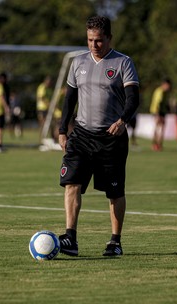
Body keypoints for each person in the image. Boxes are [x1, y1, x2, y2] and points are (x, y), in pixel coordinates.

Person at [57, 15, 140, 257]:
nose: (94, 45)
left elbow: (133, 98)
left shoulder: (123, 62)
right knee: (71, 183)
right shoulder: (78, 62)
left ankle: (115, 242)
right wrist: (63, 129)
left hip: (111, 138)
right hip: (81, 135)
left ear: (109, 38)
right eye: (90, 40)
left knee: (115, 192)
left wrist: (123, 121)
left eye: (99, 40)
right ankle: (70, 238)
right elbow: (69, 99)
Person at [149, 78, 171, 151]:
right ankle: (155, 144)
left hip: (162, 111)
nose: (168, 87)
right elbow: (157, 103)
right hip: (157, 111)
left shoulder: (165, 92)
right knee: (158, 128)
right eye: (167, 86)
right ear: (164, 84)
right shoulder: (159, 91)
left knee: (161, 128)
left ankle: (159, 144)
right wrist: (157, 114)